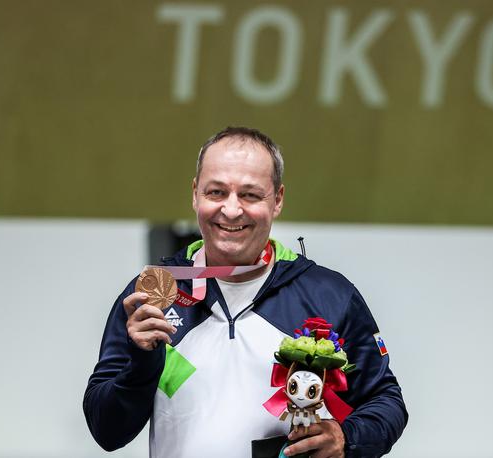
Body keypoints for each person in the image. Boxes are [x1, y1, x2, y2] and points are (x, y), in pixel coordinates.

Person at [83, 127, 408, 457]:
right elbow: (107, 431)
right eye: (216, 192)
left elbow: (385, 401)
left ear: (277, 199)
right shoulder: (153, 295)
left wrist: (346, 439)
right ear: (195, 194)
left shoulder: (329, 295)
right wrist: (141, 364)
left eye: (250, 195)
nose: (232, 210)